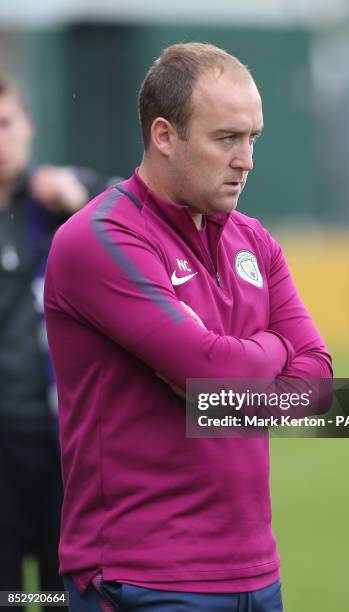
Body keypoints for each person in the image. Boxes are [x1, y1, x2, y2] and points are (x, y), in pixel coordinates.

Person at [44, 43, 332, 611]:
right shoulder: (100, 238)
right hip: (144, 579)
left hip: (256, 575)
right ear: (165, 135)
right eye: (227, 138)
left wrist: (220, 386)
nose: (246, 159)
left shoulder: (255, 240)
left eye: (253, 138)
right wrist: (272, 350)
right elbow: (210, 369)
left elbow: (317, 385)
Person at [0, 73, 109, 609]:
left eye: (5, 124)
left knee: (62, 588)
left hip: (61, 440)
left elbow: (140, 212)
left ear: (29, 126)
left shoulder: (61, 199)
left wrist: (80, 196)